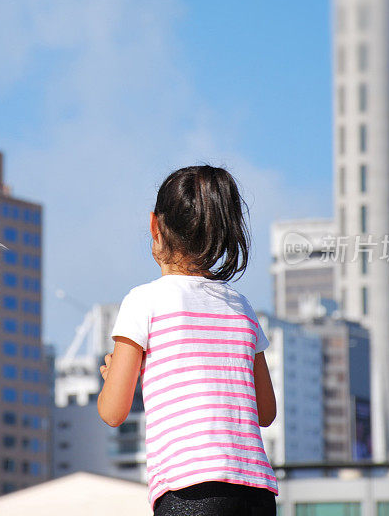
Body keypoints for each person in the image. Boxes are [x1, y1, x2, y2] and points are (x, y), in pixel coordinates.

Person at [97, 165, 278, 516]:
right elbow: (266, 412)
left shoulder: (143, 300)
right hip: (256, 492)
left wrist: (113, 380)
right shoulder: (240, 307)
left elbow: (112, 411)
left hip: (190, 491)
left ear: (155, 226)